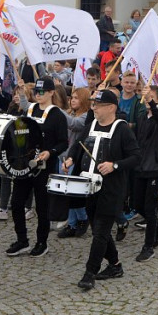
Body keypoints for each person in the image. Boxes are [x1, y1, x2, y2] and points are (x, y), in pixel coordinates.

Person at [65, 89, 141, 290]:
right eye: (93, 104)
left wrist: (114, 165)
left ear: (111, 108)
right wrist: (71, 158)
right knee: (100, 229)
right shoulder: (91, 125)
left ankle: (90, 272)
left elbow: (136, 157)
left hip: (112, 189)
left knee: (100, 233)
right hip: (89, 187)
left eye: (97, 105)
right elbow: (78, 145)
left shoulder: (122, 129)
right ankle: (115, 265)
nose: (94, 108)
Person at [6, 76, 69, 258]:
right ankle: (22, 240)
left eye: (42, 92)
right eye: (36, 92)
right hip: (24, 165)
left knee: (42, 207)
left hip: (44, 167)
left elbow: (63, 143)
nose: (38, 95)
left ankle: (42, 242)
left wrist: (51, 152)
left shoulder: (57, 115)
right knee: (17, 203)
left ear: (51, 92)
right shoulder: (31, 109)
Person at [132, 85, 158, 262]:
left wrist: (152, 105)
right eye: (147, 97)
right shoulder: (141, 117)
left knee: (150, 207)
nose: (149, 100)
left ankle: (148, 246)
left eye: (153, 97)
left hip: (155, 167)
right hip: (140, 166)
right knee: (136, 203)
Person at [59, 88, 92, 238]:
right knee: (66, 193)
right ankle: (72, 224)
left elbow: (73, 124)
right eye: (71, 97)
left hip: (75, 159)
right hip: (64, 157)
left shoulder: (85, 117)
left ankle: (83, 218)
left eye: (76, 98)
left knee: (73, 193)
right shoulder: (69, 113)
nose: (72, 100)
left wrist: (55, 109)